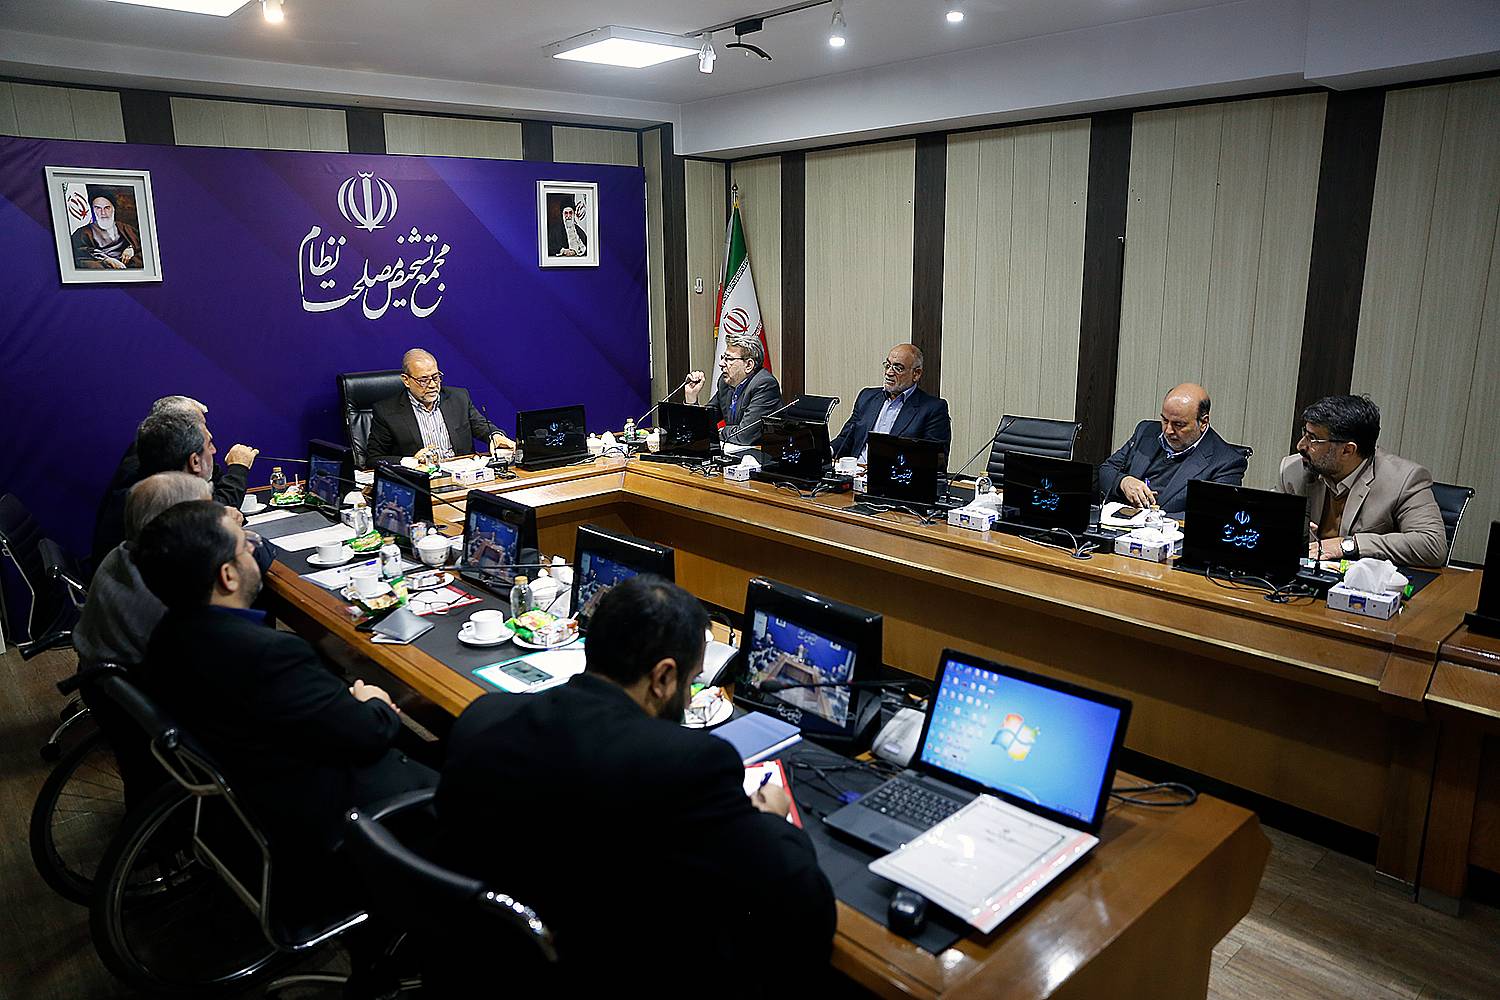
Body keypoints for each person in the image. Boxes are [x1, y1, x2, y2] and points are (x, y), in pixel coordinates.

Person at [436, 575, 836, 985]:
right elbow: (803, 903)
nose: (688, 696)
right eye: (691, 681)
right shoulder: (687, 764)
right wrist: (772, 819)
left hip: (479, 964)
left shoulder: (484, 715)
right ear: (663, 678)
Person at [134, 500, 435, 860]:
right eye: (245, 545)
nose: (253, 549)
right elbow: (370, 734)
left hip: (257, 797)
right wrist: (374, 702)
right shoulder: (269, 655)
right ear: (228, 576)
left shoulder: (165, 638)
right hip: (338, 811)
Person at [1279, 394, 1448, 567]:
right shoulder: (1294, 470)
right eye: (1305, 433)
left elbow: (1432, 545)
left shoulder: (1404, 479)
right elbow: (1268, 524)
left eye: (1313, 439)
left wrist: (1348, 545)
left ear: (1347, 450)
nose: (1301, 446)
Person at [91, 404, 259, 573]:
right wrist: (219, 521)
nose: (214, 449)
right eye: (196, 424)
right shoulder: (163, 497)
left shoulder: (150, 459)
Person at [76, 472, 212, 672]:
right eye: (210, 515)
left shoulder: (120, 554)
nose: (217, 522)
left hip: (101, 677)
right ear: (177, 525)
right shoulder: (171, 597)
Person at [1098, 383, 1247, 515]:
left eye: (1179, 424)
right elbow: (1106, 470)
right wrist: (1123, 482)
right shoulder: (1146, 431)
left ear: (1203, 422)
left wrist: (1154, 519)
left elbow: (1213, 515)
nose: (1168, 430)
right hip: (1121, 526)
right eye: (1165, 420)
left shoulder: (1227, 462)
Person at [365, 348, 515, 464]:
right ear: (406, 380)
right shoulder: (386, 411)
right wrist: (411, 461)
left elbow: (481, 426)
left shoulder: (458, 398)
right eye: (423, 380)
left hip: (462, 476)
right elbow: (374, 458)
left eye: (435, 377)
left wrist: (495, 436)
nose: (432, 385)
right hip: (422, 480)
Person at [829, 343, 951, 463]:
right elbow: (846, 438)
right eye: (887, 365)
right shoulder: (867, 397)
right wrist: (827, 451)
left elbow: (935, 460)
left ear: (916, 374)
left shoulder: (933, 408)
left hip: (893, 474)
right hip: (855, 471)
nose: (889, 372)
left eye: (898, 368)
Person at [683, 333, 782, 446]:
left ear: (749, 365)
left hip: (762, 453)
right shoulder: (725, 383)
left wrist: (719, 431)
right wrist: (691, 398)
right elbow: (704, 423)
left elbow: (744, 436)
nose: (721, 364)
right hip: (735, 451)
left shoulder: (764, 385)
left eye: (729, 359)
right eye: (723, 357)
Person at [71, 191, 142, 270]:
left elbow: (143, 244)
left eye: (107, 208)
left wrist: (131, 249)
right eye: (98, 208)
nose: (103, 213)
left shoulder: (126, 228)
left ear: (113, 209)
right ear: (93, 210)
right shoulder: (82, 233)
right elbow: (77, 252)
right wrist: (106, 260)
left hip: (127, 264)